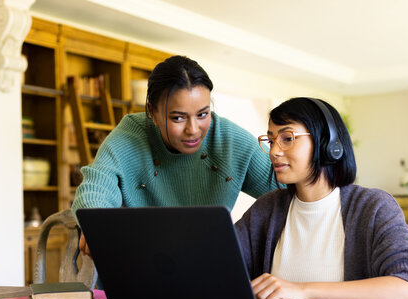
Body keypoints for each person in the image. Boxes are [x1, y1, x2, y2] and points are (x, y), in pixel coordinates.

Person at [235, 97, 408, 299]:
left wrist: (302, 290)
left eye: (288, 138)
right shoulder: (266, 209)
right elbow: (219, 268)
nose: (274, 151)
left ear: (327, 144)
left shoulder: (373, 207)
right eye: (271, 140)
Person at [72, 55, 275, 256]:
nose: (193, 129)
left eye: (203, 114)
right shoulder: (130, 137)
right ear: (153, 113)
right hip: (141, 262)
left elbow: (288, 185)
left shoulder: (229, 139)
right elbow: (96, 188)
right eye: (178, 118)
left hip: (204, 263)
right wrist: (94, 224)